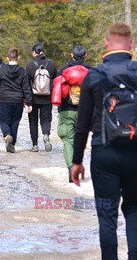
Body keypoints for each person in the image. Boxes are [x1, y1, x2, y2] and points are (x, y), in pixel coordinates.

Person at [72, 22, 137, 260]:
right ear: (131, 44)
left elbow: (81, 125)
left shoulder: (93, 76)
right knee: (133, 208)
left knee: (107, 212)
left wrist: (77, 160)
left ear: (106, 44)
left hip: (103, 152)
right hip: (136, 153)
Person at [55, 45, 91, 182]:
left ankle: (71, 167)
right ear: (85, 56)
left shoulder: (63, 71)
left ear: (72, 55)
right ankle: (78, 164)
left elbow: (55, 88)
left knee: (68, 141)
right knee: (80, 140)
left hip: (66, 111)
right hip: (84, 112)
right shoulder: (90, 71)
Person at [0, 48, 32, 153]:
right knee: (15, 123)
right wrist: (28, 102)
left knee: (3, 121)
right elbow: (26, 87)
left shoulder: (2, 69)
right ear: (18, 58)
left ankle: (6, 135)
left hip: (5, 99)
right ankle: (12, 144)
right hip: (18, 100)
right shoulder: (22, 71)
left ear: (7, 58)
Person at [26, 43, 57, 152]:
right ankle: (46, 134)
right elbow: (55, 80)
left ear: (34, 52)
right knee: (46, 119)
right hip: (47, 97)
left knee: (33, 121)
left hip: (33, 98)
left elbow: (26, 84)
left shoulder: (30, 65)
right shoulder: (51, 64)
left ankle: (35, 145)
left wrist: (27, 100)